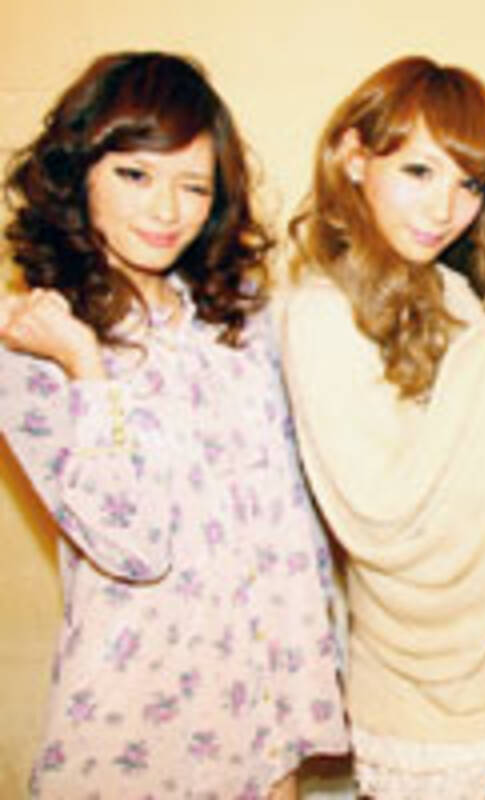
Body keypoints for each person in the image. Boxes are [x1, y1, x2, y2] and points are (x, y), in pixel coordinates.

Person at [0, 52, 348, 799]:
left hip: (261, 703)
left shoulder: (238, 316)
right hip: (136, 720)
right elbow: (129, 542)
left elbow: (293, 506)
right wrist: (86, 366)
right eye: (136, 175)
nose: (166, 211)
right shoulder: (34, 343)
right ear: (79, 172)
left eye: (194, 186)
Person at [281, 56, 485, 800]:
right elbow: (381, 516)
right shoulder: (322, 312)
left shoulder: (459, 293)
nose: (445, 209)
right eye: (418, 171)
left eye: (469, 185)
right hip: (412, 692)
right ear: (353, 157)